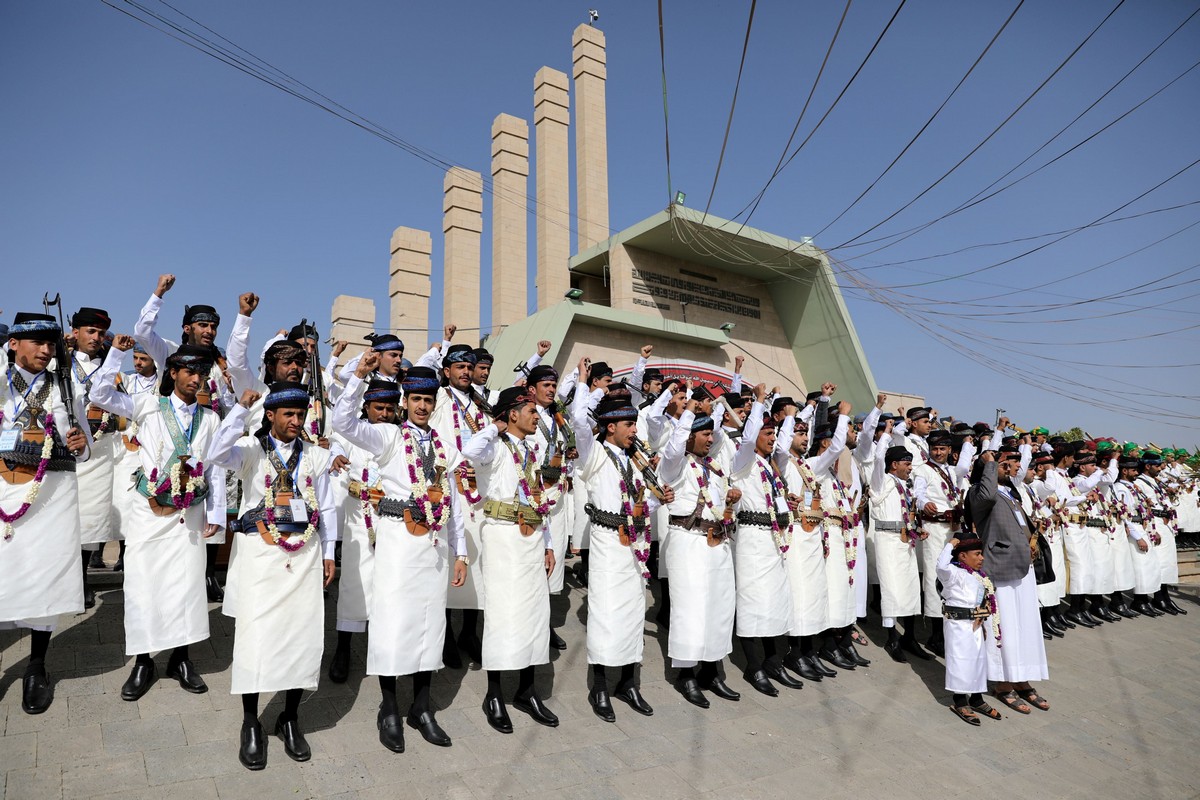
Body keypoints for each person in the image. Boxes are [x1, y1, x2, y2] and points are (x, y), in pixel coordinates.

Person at [332, 360, 468, 752]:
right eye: (416, 399)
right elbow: (344, 424)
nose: (422, 407)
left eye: (428, 400)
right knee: (393, 626)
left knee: (430, 625)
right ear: (405, 401)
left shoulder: (445, 447)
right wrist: (357, 376)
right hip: (396, 543)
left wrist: (461, 553)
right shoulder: (389, 436)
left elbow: (455, 505)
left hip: (435, 548)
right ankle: (389, 708)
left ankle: (421, 708)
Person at [206, 382, 338, 770]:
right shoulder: (249, 450)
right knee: (257, 638)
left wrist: (330, 553)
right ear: (271, 416)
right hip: (261, 556)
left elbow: (326, 507)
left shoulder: (314, 456)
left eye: (301, 415)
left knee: (302, 635)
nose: (297, 422)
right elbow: (214, 454)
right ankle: (251, 721)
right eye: (289, 415)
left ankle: (289, 717)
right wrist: (239, 413)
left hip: (305, 556)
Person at [88, 335, 226, 703]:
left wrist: (215, 513)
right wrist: (116, 353)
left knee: (185, 586)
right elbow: (100, 395)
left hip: (190, 515)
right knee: (144, 584)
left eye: (203, 372)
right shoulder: (148, 405)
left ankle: (181, 659)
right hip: (149, 513)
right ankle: (144, 661)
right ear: (174, 372)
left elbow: (213, 470)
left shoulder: (210, 418)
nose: (197, 379)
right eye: (190, 371)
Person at [1, 312, 90, 714]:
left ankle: (36, 665)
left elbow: (85, 446)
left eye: (50, 342)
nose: (45, 349)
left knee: (46, 576)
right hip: (5, 486)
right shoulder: (1, 381)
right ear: (13, 343)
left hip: (53, 493)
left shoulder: (65, 385)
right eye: (35, 341)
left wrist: (78, 443)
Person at [460, 386, 559, 733]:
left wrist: (548, 543)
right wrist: (495, 427)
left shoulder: (533, 450)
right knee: (503, 616)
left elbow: (538, 500)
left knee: (534, 614)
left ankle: (527, 690)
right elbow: (467, 450)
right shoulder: (494, 448)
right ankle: (494, 694)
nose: (537, 416)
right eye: (530, 410)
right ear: (513, 414)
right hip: (502, 536)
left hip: (531, 538)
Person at [133, 273, 233, 602]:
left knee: (210, 513)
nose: (209, 331)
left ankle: (207, 576)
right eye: (202, 325)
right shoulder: (171, 353)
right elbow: (143, 332)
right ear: (188, 327)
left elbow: (229, 403)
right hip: (170, 445)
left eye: (213, 326)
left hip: (208, 438)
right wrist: (158, 294)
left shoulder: (219, 365)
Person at [571, 371, 660, 722]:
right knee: (607, 614)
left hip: (635, 545)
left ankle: (628, 682)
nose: (635, 431)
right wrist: (588, 386)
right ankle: (600, 687)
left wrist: (657, 500)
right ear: (611, 427)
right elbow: (579, 420)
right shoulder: (593, 454)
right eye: (629, 424)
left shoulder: (635, 460)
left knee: (633, 613)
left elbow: (641, 503)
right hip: (608, 543)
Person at [658, 383, 753, 708]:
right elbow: (671, 450)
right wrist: (688, 414)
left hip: (717, 543)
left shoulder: (713, 468)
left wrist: (732, 500)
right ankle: (685, 675)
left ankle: (712, 672)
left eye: (712, 435)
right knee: (690, 609)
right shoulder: (676, 464)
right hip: (688, 543)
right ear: (690, 436)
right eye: (705, 434)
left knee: (719, 607)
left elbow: (721, 507)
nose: (711, 439)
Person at [326, 378, 400, 684]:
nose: (383, 413)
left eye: (389, 408)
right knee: (354, 585)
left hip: (392, 517)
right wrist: (335, 457)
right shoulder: (353, 432)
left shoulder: (400, 435)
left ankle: (384, 649)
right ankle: (343, 649)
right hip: (358, 517)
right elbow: (335, 443)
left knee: (389, 584)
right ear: (366, 407)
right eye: (378, 408)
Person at [966, 448, 1049, 716]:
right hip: (999, 568)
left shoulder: (1010, 493)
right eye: (1001, 464)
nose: (1006, 467)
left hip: (1021, 567)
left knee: (1024, 626)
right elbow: (986, 497)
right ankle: (1003, 684)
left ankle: (1021, 677)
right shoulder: (978, 492)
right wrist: (989, 463)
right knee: (1005, 628)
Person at [729, 386, 800, 696]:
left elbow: (773, 499)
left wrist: (788, 504)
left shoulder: (770, 467)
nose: (773, 439)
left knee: (774, 603)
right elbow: (747, 439)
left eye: (774, 433)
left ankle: (773, 662)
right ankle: (753, 667)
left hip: (773, 541)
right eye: (767, 433)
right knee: (752, 604)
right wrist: (758, 402)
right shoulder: (743, 460)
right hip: (752, 541)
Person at [430, 343, 489, 667]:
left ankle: (469, 631)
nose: (466, 372)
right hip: (449, 486)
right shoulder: (439, 399)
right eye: (459, 367)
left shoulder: (481, 404)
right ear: (447, 370)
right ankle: (448, 637)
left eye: (469, 367)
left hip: (477, 490)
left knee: (476, 563)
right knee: (453, 558)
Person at [68, 307, 120, 607]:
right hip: (66, 449)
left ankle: (83, 579)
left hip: (99, 452)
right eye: (91, 331)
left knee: (91, 517)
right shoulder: (59, 365)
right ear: (76, 333)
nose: (97, 338)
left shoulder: (109, 369)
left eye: (101, 333)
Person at [526, 363, 574, 653]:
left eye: (554, 386)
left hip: (557, 491)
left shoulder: (559, 417)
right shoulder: (526, 414)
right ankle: (532, 622)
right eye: (546, 385)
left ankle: (546, 623)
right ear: (532, 389)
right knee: (534, 557)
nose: (551, 390)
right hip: (533, 491)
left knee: (554, 555)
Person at [870, 442, 927, 663]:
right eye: (906, 463)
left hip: (906, 541)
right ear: (893, 465)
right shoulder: (882, 481)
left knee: (911, 588)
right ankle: (891, 638)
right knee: (892, 591)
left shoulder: (905, 485)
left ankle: (909, 637)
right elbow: (877, 460)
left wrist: (916, 529)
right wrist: (884, 435)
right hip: (887, 541)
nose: (910, 468)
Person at [937, 537, 1003, 726]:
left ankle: (976, 699)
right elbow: (940, 566)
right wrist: (951, 544)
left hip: (975, 624)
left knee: (977, 660)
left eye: (981, 554)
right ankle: (959, 701)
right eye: (977, 554)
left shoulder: (978, 576)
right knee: (960, 661)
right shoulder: (953, 573)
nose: (981, 558)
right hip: (958, 624)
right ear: (963, 556)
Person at [913, 429, 965, 656]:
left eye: (942, 449)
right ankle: (935, 635)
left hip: (954, 529)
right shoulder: (923, 470)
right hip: (934, 528)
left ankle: (950, 629)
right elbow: (918, 493)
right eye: (934, 448)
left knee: (955, 578)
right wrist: (924, 503)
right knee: (936, 579)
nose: (938, 452)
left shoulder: (954, 472)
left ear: (949, 450)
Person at [1113, 454, 1163, 616]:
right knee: (1140, 567)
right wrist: (1138, 537)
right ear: (1124, 471)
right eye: (1133, 470)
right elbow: (1125, 515)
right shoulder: (1120, 488)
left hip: (1142, 526)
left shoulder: (1133, 486)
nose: (1136, 473)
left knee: (1148, 566)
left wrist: (1152, 531)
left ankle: (1144, 600)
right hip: (1134, 528)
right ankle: (1139, 600)